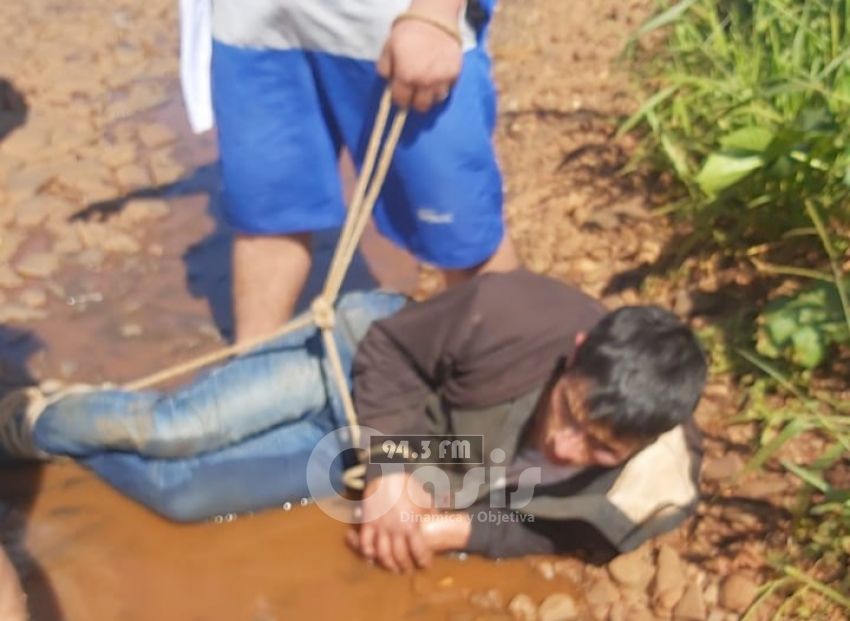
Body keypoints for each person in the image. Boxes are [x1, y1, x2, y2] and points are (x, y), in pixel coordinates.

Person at [0, 270, 706, 569]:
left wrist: (455, 529)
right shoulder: (515, 311)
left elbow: (564, 535)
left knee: (182, 496)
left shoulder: (654, 483)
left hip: (380, 437)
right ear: (576, 353)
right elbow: (392, 350)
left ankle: (72, 443)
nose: (565, 443)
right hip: (357, 356)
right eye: (571, 413)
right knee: (176, 428)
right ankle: (34, 419)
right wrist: (396, 474)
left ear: (646, 440)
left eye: (599, 446)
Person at [190, 0, 517, 342]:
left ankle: (510, 382)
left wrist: (436, 13)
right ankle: (249, 374)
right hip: (253, 24)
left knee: (464, 237)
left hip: (398, 20)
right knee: (266, 216)